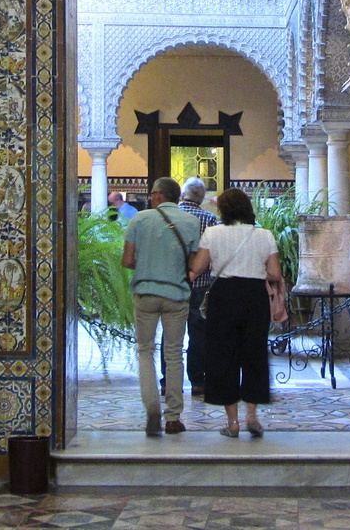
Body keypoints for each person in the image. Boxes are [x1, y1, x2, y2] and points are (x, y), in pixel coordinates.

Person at [190, 187, 282, 438]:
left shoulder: (212, 233)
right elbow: (274, 273)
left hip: (224, 296)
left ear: (223, 210)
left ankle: (232, 423)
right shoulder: (264, 235)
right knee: (254, 355)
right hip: (254, 297)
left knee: (224, 357)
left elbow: (198, 267)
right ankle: (252, 416)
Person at [121, 177, 202, 436]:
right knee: (174, 353)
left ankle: (152, 410)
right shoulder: (192, 222)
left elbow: (127, 260)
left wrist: (147, 265)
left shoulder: (140, 219)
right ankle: (173, 418)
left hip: (145, 293)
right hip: (176, 295)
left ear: (157, 195)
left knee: (145, 351)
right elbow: (192, 262)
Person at [175, 178, 219, 399]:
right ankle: (198, 381)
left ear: (183, 195)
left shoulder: (171, 216)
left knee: (171, 335)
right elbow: (213, 255)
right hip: (201, 286)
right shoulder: (210, 219)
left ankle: (168, 382)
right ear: (202, 198)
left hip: (173, 284)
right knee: (198, 335)